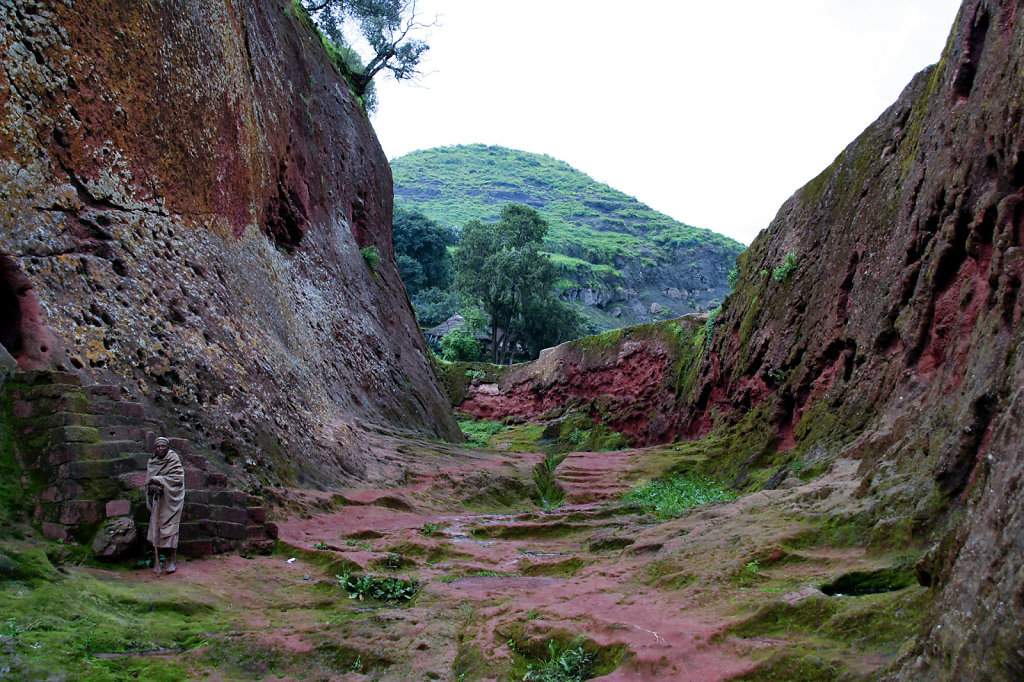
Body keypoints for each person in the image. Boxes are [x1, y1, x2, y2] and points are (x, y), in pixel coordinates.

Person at [145, 437, 185, 575]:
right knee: (156, 527)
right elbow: (148, 482)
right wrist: (153, 488)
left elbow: (178, 478)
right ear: (154, 449)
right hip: (159, 500)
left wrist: (160, 481)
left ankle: (173, 561)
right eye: (158, 447)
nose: (160, 449)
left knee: (172, 529)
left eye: (163, 446)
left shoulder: (173, 459)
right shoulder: (152, 462)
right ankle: (157, 562)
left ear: (168, 448)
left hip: (172, 501)